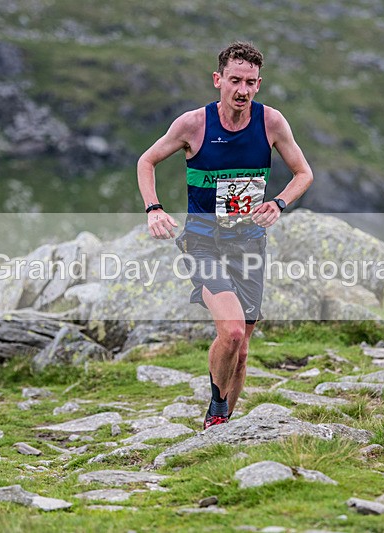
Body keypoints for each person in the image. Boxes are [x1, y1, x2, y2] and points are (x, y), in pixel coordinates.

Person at [137, 41, 313, 429]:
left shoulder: (271, 123)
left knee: (243, 348)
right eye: (235, 80)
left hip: (249, 244)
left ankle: (224, 426)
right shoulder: (193, 124)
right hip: (203, 243)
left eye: (250, 82)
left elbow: (304, 173)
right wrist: (154, 209)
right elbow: (146, 161)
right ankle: (216, 409)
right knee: (231, 332)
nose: (242, 90)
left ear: (259, 84)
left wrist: (278, 203)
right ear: (218, 80)